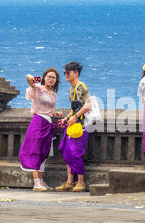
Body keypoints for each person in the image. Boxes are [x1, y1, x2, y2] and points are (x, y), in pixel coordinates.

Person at [19, 68, 63, 191]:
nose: (51, 79)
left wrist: (55, 113)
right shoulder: (38, 88)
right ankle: (36, 182)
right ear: (44, 77)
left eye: (53, 78)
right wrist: (35, 79)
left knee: (44, 152)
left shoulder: (54, 94)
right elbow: (28, 78)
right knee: (35, 151)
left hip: (48, 123)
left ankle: (42, 181)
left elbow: (48, 111)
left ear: (56, 81)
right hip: (38, 122)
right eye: (49, 76)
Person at [55, 62, 91, 192]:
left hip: (81, 125)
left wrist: (75, 117)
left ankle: (81, 182)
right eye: (65, 73)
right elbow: (75, 108)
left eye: (67, 73)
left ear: (75, 73)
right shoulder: (72, 89)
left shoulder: (81, 87)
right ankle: (70, 181)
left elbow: (88, 105)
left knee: (76, 153)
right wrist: (67, 117)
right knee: (68, 152)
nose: (65, 75)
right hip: (73, 124)